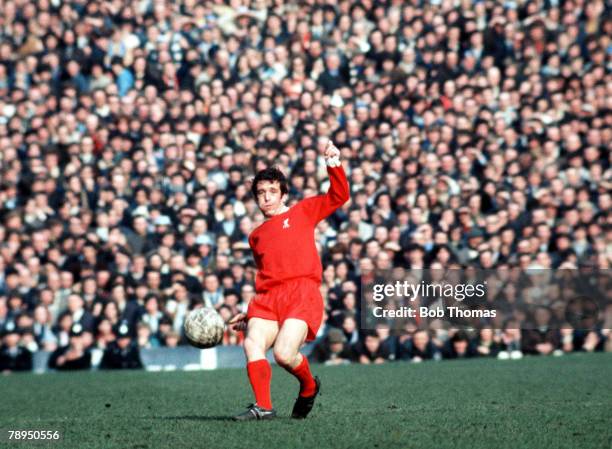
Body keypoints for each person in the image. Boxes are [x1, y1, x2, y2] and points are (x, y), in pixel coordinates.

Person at [229, 140, 349, 420]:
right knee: (252, 343)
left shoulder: (302, 212)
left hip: (302, 292)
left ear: (283, 194)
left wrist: (333, 163)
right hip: (268, 298)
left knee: (284, 354)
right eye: (260, 193)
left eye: (272, 191)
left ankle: (308, 386)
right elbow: (266, 275)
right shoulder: (255, 236)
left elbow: (338, 196)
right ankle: (263, 407)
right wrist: (251, 313)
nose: (266, 197)